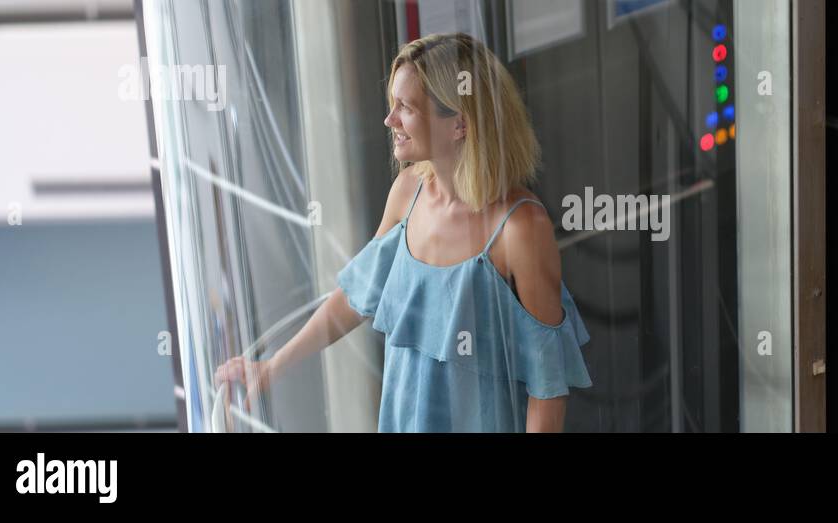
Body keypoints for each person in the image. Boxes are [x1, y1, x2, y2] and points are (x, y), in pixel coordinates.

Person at [215, 33, 592, 432]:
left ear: (459, 124)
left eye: (405, 108)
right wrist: (271, 367)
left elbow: (547, 388)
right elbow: (355, 297)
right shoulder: (407, 192)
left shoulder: (520, 230)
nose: (389, 119)